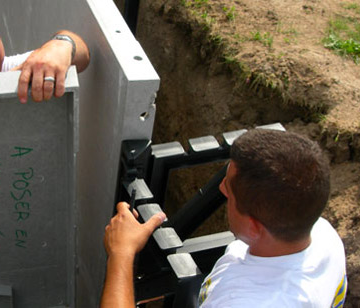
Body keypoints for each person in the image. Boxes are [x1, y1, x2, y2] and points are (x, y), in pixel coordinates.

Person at [101, 129, 347, 307]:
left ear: (254, 226)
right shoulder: (323, 234)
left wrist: (121, 253)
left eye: (228, 190)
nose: (220, 190)